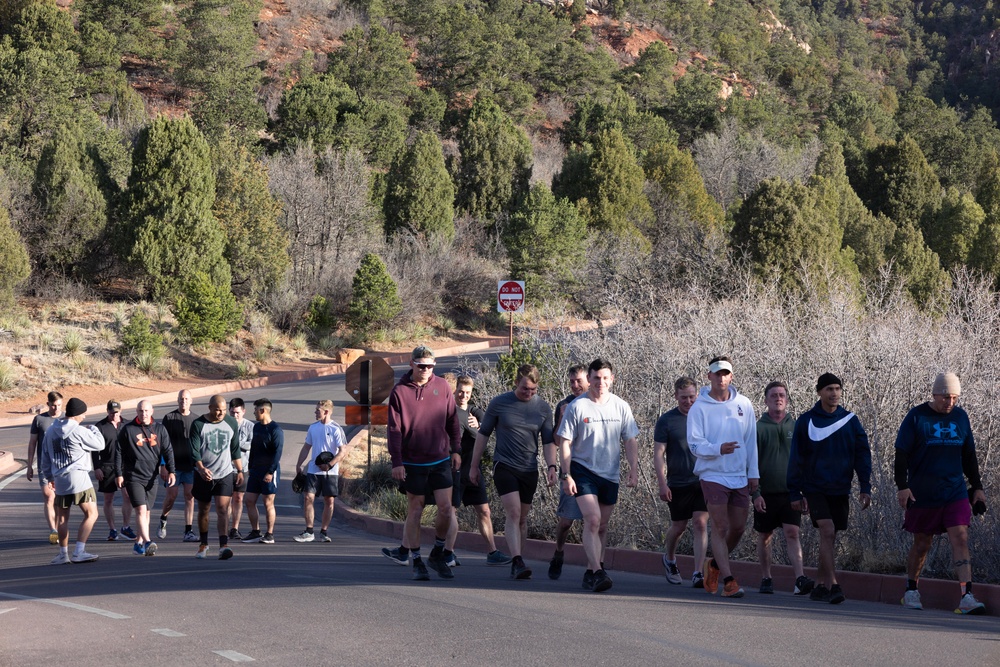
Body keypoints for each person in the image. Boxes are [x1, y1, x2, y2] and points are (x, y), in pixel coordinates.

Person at [387, 375, 511, 568]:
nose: (463, 395)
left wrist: (479, 423)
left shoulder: (471, 411)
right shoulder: (451, 412)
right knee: (439, 510)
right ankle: (446, 553)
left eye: (468, 393)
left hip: (473, 468)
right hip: (453, 468)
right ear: (454, 391)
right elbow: (476, 434)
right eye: (460, 391)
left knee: (484, 511)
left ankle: (492, 552)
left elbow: (486, 421)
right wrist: (477, 429)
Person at [896, 373, 987, 615]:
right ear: (935, 394)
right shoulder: (917, 416)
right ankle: (911, 589)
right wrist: (902, 486)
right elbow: (901, 453)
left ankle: (966, 595)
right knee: (922, 543)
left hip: (954, 491)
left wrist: (977, 487)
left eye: (955, 397)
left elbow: (969, 455)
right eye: (946, 397)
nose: (950, 402)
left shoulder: (961, 417)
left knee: (960, 537)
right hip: (923, 493)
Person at [556, 358, 639, 593]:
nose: (600, 382)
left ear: (612, 379)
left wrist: (633, 469)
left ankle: (593, 570)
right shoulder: (577, 406)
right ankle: (598, 571)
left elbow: (630, 439)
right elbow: (565, 443)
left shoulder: (621, 406)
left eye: (605, 378)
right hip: (583, 470)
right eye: (596, 378)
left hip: (610, 473)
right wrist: (566, 475)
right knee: (592, 520)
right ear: (589, 379)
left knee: (602, 526)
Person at [788, 372, 872, 605]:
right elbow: (796, 458)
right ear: (819, 392)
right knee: (827, 530)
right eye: (829, 389)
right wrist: (795, 492)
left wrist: (865, 486)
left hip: (840, 488)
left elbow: (862, 455)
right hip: (814, 487)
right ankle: (834, 585)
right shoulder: (806, 420)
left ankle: (818, 586)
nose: (834, 393)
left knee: (831, 536)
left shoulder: (850, 420)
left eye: (837, 388)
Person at [470, 364, 556, 580]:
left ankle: (518, 559)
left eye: (533, 390)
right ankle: (517, 559)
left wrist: (552, 467)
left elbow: (547, 442)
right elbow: (483, 434)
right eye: (524, 388)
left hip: (529, 468)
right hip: (504, 465)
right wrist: (474, 465)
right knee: (514, 512)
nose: (528, 393)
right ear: (515, 383)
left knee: (523, 518)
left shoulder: (543, 409)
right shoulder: (499, 403)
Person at [386, 346, 461, 581]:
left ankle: (438, 552)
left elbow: (452, 420)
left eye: (430, 366)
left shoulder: (442, 386)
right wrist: (397, 462)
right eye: (421, 366)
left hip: (440, 458)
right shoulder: (399, 392)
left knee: (446, 509)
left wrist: (456, 450)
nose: (426, 370)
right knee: (415, 510)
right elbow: (394, 430)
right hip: (412, 462)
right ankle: (417, 559)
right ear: (412, 364)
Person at [686, 356, 758, 599]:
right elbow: (694, 445)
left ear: (731, 376)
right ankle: (729, 581)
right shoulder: (699, 407)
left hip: (738, 474)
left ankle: (715, 565)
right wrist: (718, 449)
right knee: (720, 526)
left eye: (725, 373)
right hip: (712, 473)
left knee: (737, 528)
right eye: (717, 373)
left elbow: (751, 442)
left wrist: (753, 473)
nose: (721, 378)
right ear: (709, 376)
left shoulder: (744, 404)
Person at [753, 382, 813, 596]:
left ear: (787, 399)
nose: (778, 398)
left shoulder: (796, 427)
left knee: (792, 532)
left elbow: (805, 461)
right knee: (764, 535)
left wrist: (804, 491)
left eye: (782, 395)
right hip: (765, 492)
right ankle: (766, 578)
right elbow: (751, 463)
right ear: (766, 400)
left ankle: (799, 579)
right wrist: (756, 493)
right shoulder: (757, 428)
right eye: (773, 395)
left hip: (791, 492)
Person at [653, 377, 709, 588]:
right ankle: (669, 558)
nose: (688, 401)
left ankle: (697, 572)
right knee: (679, 526)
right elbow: (658, 454)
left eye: (692, 397)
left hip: (703, 480)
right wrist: (662, 483)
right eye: (683, 397)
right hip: (677, 482)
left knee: (700, 523)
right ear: (675, 396)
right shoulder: (667, 421)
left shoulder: (705, 417)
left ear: (697, 395)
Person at [40, 398, 105, 564]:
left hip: (60, 478)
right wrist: (94, 429)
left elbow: (45, 458)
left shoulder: (51, 431)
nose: (84, 417)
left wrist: (49, 477)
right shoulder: (79, 430)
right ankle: (79, 551)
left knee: (62, 519)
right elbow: (100, 444)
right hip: (79, 478)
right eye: (83, 414)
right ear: (77, 414)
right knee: (92, 514)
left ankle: (63, 554)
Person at [116, 400, 176, 556]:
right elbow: (118, 452)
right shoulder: (128, 429)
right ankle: (148, 541)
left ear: (152, 411)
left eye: (147, 411)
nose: (144, 414)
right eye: (141, 411)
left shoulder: (160, 429)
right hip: (133, 476)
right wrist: (119, 474)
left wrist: (171, 471)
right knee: (141, 510)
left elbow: (168, 450)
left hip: (151, 476)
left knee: (147, 511)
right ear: (136, 411)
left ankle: (139, 543)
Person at [546, 365, 589, 580]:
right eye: (571, 381)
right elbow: (555, 440)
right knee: (566, 521)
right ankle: (559, 552)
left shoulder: (598, 403)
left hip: (594, 471)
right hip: (571, 471)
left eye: (579, 381)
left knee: (596, 521)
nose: (575, 385)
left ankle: (595, 566)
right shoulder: (564, 405)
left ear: (589, 380)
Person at [189, 395, 244, 560]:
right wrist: (201, 469)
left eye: (223, 410)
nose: (221, 413)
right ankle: (204, 544)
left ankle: (224, 545)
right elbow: (194, 451)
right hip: (203, 474)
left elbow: (235, 449)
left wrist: (240, 471)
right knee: (204, 509)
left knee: (222, 509)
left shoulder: (231, 423)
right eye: (217, 410)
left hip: (225, 473)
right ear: (210, 407)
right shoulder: (198, 424)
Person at [293, 400, 350, 543]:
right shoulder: (313, 428)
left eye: (317, 410)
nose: (315, 412)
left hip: (330, 472)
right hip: (313, 470)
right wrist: (299, 464)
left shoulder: (336, 429)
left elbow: (343, 451)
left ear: (326, 411)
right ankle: (309, 531)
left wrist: (329, 465)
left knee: (329, 501)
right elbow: (307, 447)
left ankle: (324, 531)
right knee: (308, 498)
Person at [243, 398, 284, 545]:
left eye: (255, 410)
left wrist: (270, 472)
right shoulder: (256, 427)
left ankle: (269, 534)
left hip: (269, 472)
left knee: (268, 502)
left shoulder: (276, 430)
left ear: (263, 410)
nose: (253, 412)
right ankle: (255, 532)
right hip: (255, 471)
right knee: (249, 500)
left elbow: (277, 453)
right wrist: (250, 467)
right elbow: (253, 448)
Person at [92, 400, 134, 542]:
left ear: (120, 411)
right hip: (107, 466)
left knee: (127, 496)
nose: (114, 415)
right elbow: (94, 450)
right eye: (111, 413)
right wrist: (97, 467)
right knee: (108, 499)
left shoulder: (128, 425)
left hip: (124, 466)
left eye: (116, 412)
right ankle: (112, 529)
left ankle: (126, 527)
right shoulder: (100, 426)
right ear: (107, 411)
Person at [159, 390, 198, 541]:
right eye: (181, 399)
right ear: (177, 400)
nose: (184, 401)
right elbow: (163, 444)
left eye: (187, 399)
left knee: (190, 496)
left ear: (191, 401)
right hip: (173, 467)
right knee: (171, 496)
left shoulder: (196, 420)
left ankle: (188, 530)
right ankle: (163, 519)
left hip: (190, 466)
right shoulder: (169, 418)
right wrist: (163, 465)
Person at [26, 391, 63, 544]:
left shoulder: (66, 419)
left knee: (59, 500)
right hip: (45, 466)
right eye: (54, 405)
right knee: (49, 497)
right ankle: (53, 531)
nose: (56, 408)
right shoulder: (39, 419)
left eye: (59, 405)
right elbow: (33, 443)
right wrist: (29, 465)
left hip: (62, 466)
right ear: (48, 404)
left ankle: (59, 527)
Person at [227, 397, 254, 541]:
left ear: (243, 411)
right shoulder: (224, 424)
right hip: (225, 468)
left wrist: (235, 443)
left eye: (237, 412)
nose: (235, 415)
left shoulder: (250, 426)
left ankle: (234, 528)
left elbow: (251, 445)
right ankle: (224, 527)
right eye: (232, 413)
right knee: (225, 499)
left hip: (242, 468)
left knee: (238, 498)